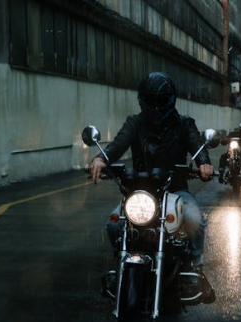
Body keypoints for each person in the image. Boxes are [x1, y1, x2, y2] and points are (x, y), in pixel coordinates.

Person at [89, 72, 214, 276]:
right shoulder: (135, 123)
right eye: (150, 101)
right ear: (142, 101)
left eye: (159, 101)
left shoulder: (184, 124)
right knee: (114, 225)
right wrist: (101, 158)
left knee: (195, 220)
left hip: (175, 190)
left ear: (169, 100)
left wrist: (204, 163)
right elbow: (119, 143)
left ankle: (195, 266)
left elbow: (197, 146)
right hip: (141, 192)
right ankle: (121, 261)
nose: (155, 107)